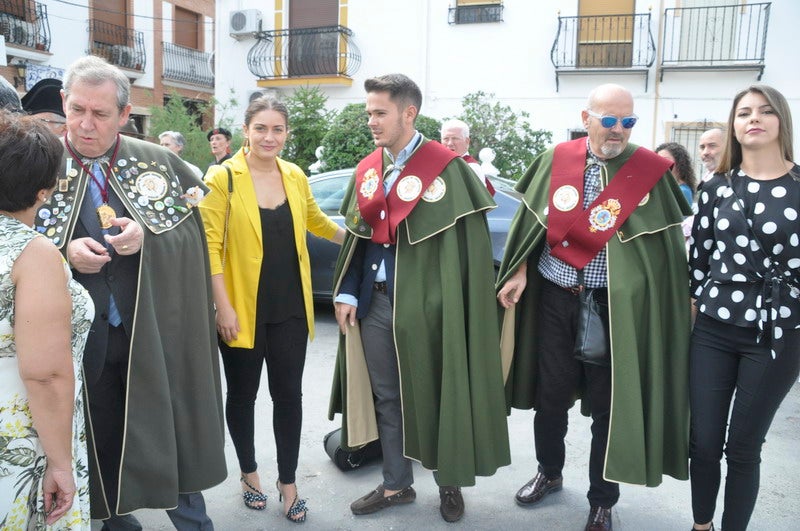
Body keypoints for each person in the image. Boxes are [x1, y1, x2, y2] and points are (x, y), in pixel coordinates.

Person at [33, 55, 227, 530]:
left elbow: (195, 243)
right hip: (78, 345)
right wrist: (61, 251)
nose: (85, 124)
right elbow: (11, 240)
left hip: (151, 336)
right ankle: (117, 524)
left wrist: (148, 237)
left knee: (170, 434)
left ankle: (194, 525)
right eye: (77, 109)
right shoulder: (35, 163)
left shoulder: (160, 162)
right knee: (95, 443)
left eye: (100, 114)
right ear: (64, 101)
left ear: (125, 114)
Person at [496, 83, 691, 531]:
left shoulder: (650, 171)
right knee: (550, 398)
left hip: (612, 309)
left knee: (608, 407)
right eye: (609, 119)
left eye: (628, 121)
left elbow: (663, 252)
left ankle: (602, 499)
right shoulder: (556, 160)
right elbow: (530, 228)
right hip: (554, 300)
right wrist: (521, 269)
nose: (618, 130)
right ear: (587, 119)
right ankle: (549, 472)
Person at [329, 73, 510, 523]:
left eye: (379, 112)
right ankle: (396, 484)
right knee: (387, 397)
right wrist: (349, 290)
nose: (370, 121)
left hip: (434, 309)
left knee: (439, 392)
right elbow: (360, 238)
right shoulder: (369, 168)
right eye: (368, 112)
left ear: (408, 113)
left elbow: (467, 252)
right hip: (377, 302)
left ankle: (449, 483)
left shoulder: (447, 168)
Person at [200, 96, 344, 523]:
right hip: (240, 309)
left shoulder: (295, 175)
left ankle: (288, 482)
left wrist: (359, 238)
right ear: (246, 129)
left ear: (286, 133)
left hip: (291, 309)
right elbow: (209, 246)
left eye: (277, 129)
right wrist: (221, 307)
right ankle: (248, 474)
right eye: (261, 128)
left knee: (289, 397)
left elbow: (315, 220)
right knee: (242, 396)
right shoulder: (222, 177)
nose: (269, 137)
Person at [688, 84, 800, 531]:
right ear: (734, 126)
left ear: (781, 122)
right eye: (744, 113)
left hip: (779, 335)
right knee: (704, 442)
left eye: (765, 111)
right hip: (715, 329)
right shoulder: (715, 189)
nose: (754, 119)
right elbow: (699, 261)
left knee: (744, 447)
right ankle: (700, 526)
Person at [0, 111, 93, 529]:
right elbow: (46, 374)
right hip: (21, 427)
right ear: (44, 191)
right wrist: (59, 463)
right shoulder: (32, 253)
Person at [440, 118, 495, 195]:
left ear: (467, 141)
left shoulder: (471, 168)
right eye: (446, 139)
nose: (449, 143)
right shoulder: (438, 164)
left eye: (455, 138)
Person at [655, 141, 697, 207]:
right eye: (658, 161)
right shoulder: (667, 187)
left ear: (679, 162)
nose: (660, 164)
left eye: (665, 160)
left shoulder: (682, 191)